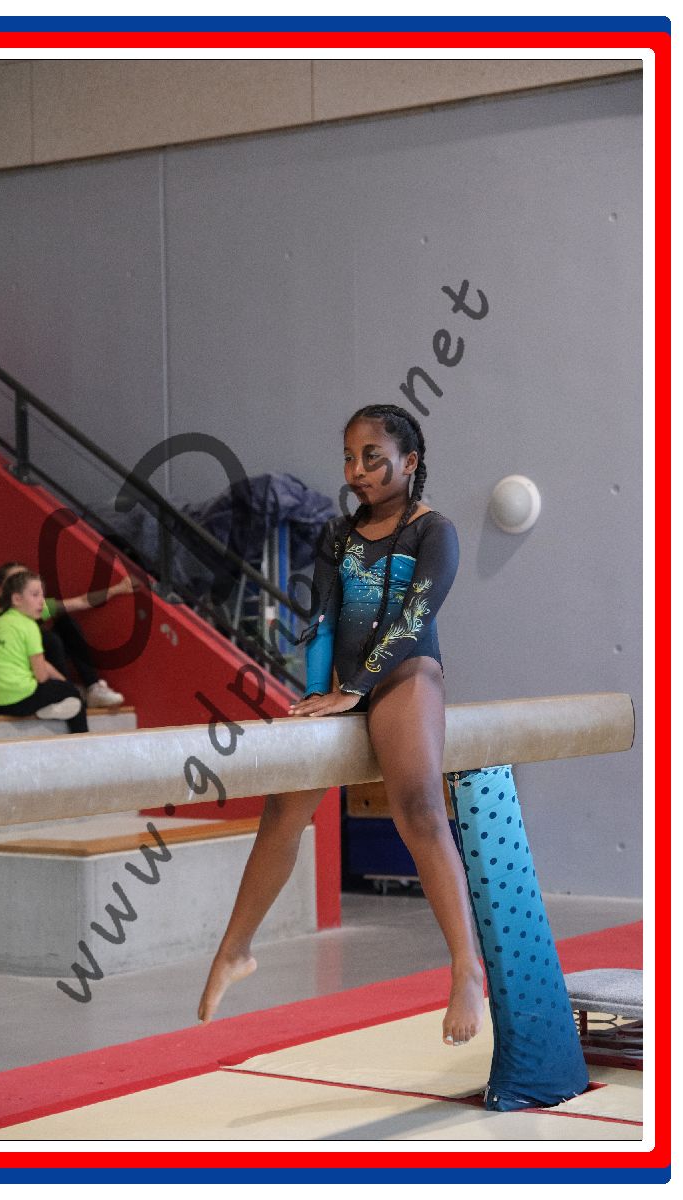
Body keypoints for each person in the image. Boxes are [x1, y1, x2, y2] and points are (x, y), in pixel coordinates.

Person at [197, 403, 485, 1048]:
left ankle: (466, 967)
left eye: (373, 458)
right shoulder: (337, 534)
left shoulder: (435, 532)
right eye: (350, 458)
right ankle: (236, 949)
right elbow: (322, 622)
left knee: (418, 806)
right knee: (283, 808)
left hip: (408, 676)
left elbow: (415, 618)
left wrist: (356, 689)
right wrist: (316, 695)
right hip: (342, 688)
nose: (358, 471)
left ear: (409, 462)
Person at [0, 561, 133, 708]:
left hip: (46, 664)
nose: (21, 586)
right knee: (49, 639)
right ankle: (65, 693)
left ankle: (93, 687)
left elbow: (81, 601)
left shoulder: (40, 608)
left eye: (24, 579)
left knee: (65, 622)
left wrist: (118, 589)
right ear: (0, 591)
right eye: (14, 581)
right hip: (23, 672)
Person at [0, 570, 88, 732]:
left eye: (42, 595)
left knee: (65, 689)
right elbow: (42, 677)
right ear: (17, 599)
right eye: (35, 595)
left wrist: (63, 683)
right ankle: (82, 741)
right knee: (74, 697)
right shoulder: (28, 625)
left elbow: (43, 664)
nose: (42, 601)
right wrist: (68, 688)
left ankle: (49, 708)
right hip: (17, 702)